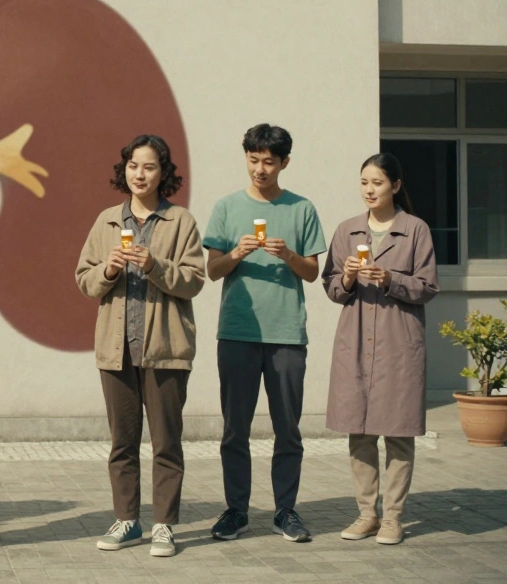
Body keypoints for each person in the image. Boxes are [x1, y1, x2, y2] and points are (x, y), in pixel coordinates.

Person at [75, 135, 205, 557]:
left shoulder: (180, 222)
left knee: (167, 441)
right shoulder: (107, 222)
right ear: (124, 170)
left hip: (166, 348)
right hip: (117, 351)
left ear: (163, 173)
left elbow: (193, 280)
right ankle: (127, 520)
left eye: (149, 167)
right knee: (122, 442)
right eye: (133, 166)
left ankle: (164, 524)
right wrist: (108, 271)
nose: (140, 174)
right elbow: (84, 279)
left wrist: (154, 265)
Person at [203, 123, 326, 543]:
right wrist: (236, 253)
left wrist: (287, 254)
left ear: (284, 162)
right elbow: (211, 270)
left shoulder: (302, 209)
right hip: (237, 331)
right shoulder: (225, 207)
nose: (259, 168)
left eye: (268, 161)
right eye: (253, 160)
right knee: (235, 428)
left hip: (287, 333)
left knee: (287, 428)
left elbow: (312, 274)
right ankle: (236, 510)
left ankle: (285, 510)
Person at [322, 153, 438, 546]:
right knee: (360, 430)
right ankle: (366, 514)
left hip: (398, 342)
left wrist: (390, 278)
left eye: (377, 183)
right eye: (364, 182)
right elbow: (332, 287)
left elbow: (428, 287)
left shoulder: (415, 230)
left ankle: (393, 518)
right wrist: (349, 278)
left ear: (396, 186)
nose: (369, 190)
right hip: (355, 340)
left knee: (399, 432)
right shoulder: (347, 231)